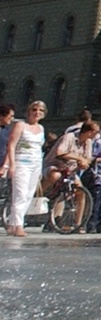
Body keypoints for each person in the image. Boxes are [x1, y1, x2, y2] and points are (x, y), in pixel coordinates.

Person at [3, 100, 47, 236]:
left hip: (36, 163)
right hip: (22, 162)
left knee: (28, 195)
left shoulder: (41, 129)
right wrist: (11, 164)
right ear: (29, 111)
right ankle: (19, 225)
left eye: (40, 110)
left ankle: (12, 223)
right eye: (34, 109)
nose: (37, 112)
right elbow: (11, 145)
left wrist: (40, 169)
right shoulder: (21, 125)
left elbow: (39, 148)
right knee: (20, 194)